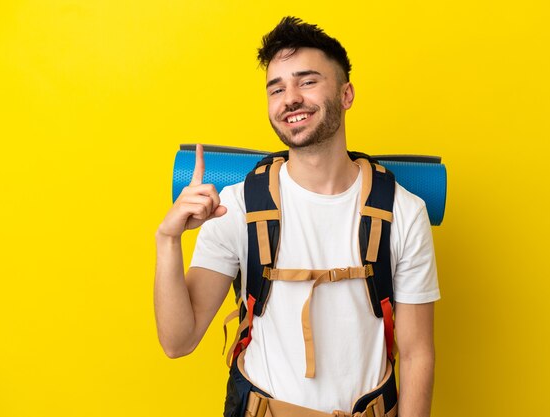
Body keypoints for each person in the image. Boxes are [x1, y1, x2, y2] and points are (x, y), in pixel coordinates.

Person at [155, 16, 440, 417]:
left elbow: (416, 355)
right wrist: (167, 241)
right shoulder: (236, 207)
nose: (290, 98)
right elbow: (178, 341)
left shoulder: (404, 212)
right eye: (277, 88)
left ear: (346, 94)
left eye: (307, 81)